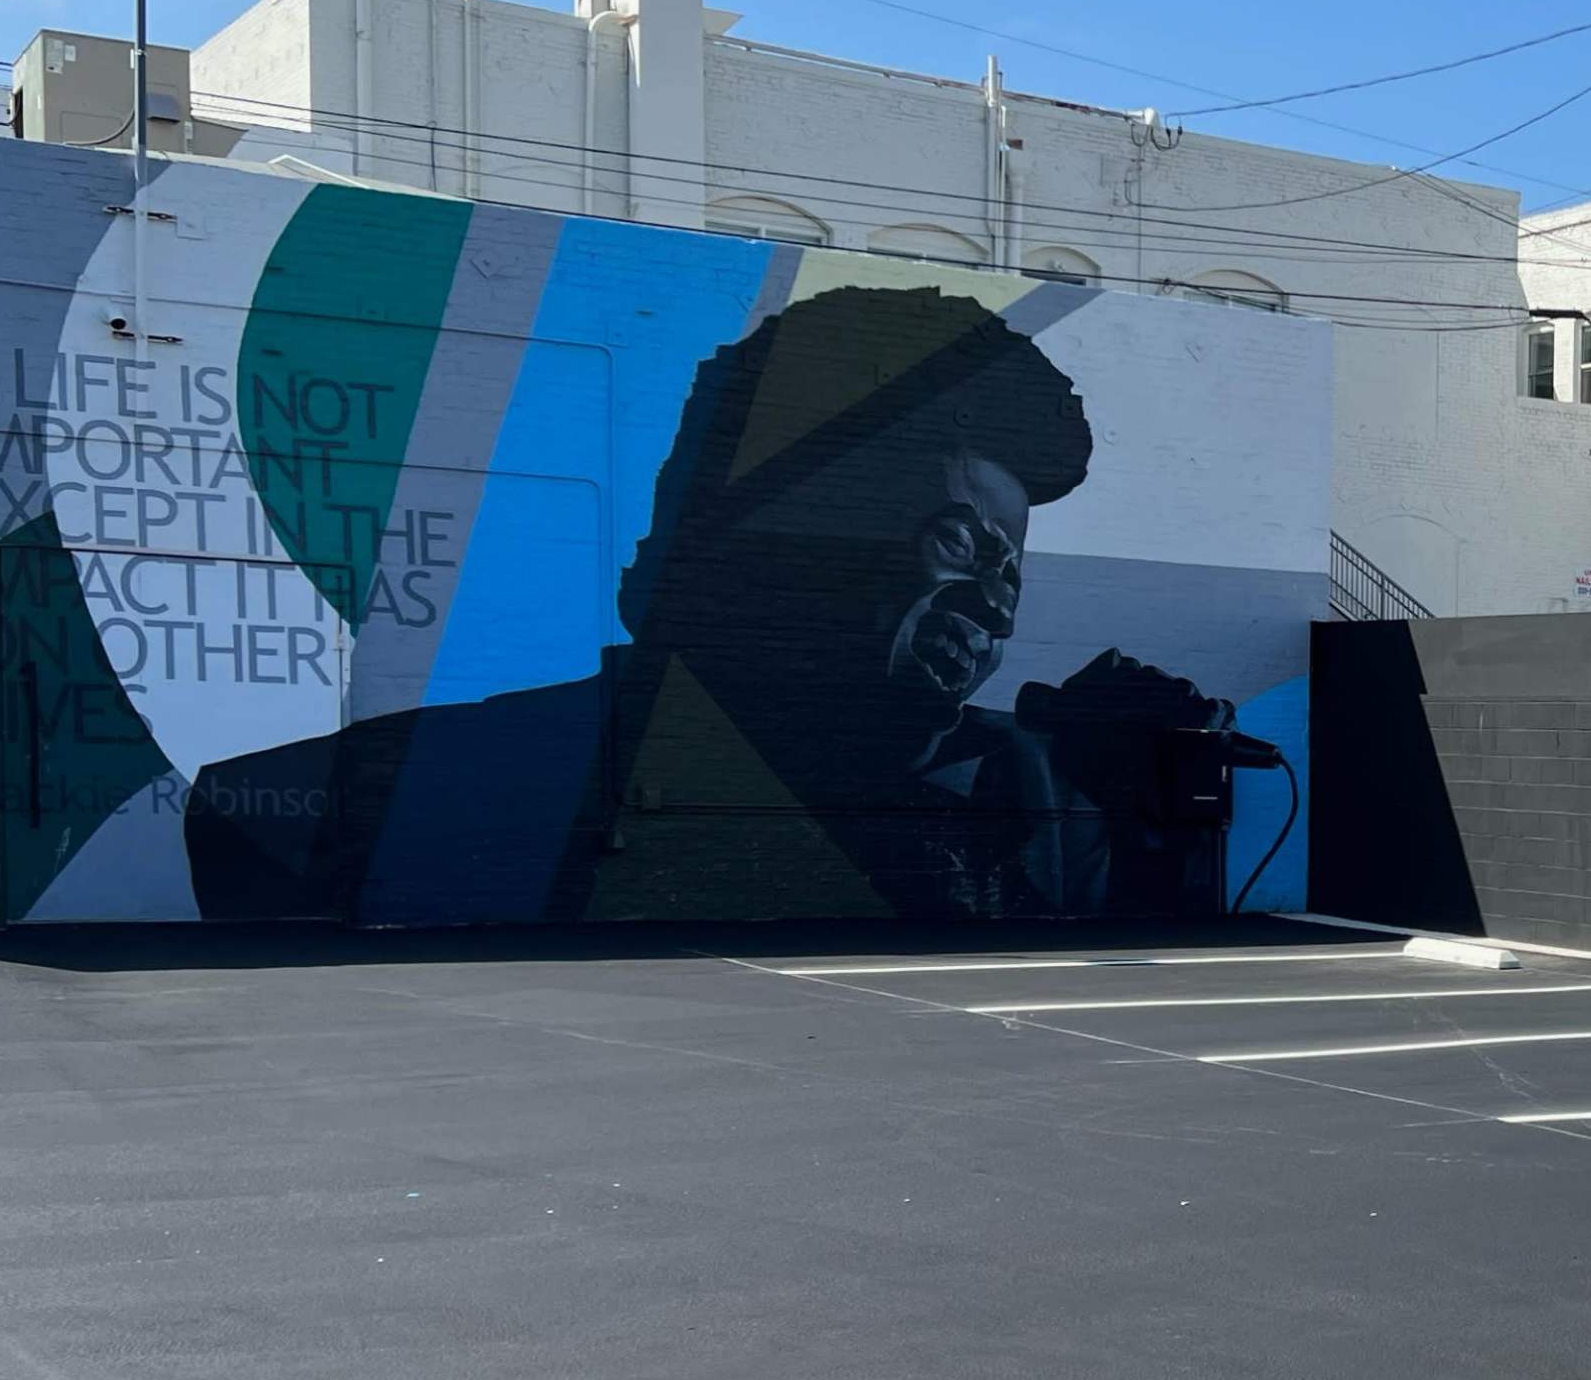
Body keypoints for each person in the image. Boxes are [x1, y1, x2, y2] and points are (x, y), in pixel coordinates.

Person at [184, 284, 1244, 924]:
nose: (993, 610)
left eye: (1008, 571)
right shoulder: (320, 807)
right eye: (957, 544)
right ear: (701, 549)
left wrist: (1146, 812)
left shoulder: (1035, 795)